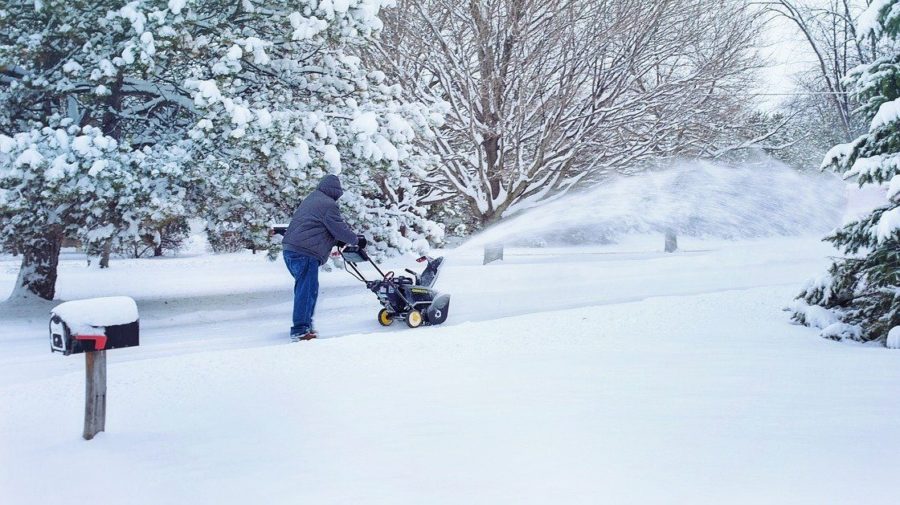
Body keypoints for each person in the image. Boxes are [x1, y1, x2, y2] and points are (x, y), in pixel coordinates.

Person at [282, 174, 365, 341]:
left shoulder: (312, 199)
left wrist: (337, 240)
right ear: (335, 191)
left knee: (306, 290)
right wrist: (357, 240)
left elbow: (317, 227)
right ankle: (300, 330)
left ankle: (305, 325)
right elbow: (338, 228)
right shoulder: (328, 204)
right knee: (307, 291)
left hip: (291, 250)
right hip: (304, 253)